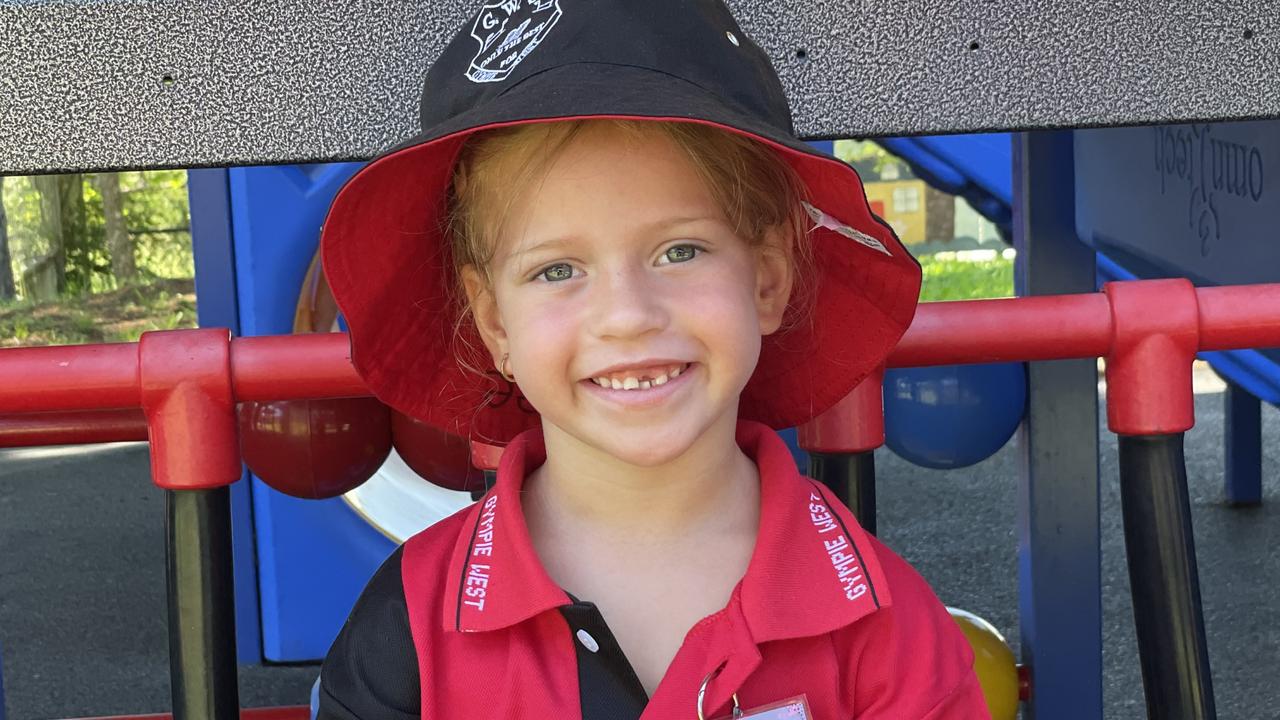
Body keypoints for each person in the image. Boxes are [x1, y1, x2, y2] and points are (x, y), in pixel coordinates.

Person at [316, 0, 990, 718]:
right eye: (556, 270)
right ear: (495, 325)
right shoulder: (411, 630)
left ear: (766, 281)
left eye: (681, 251)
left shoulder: (883, 625)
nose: (629, 315)